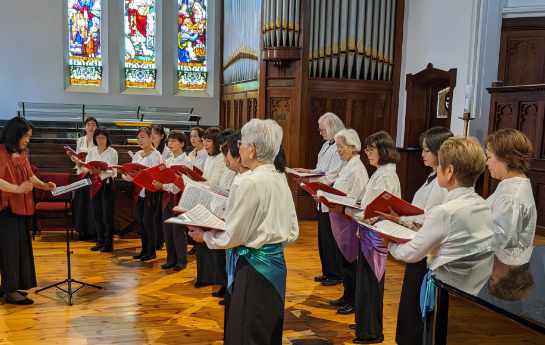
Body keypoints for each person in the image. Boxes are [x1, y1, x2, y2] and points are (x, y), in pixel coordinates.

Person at [188, 119, 299, 345]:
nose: (239, 148)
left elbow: (233, 234)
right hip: (276, 262)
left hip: (252, 266)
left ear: (253, 149)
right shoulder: (279, 176)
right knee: (267, 325)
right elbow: (293, 229)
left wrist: (205, 237)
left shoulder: (248, 181)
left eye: (243, 143)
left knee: (246, 328)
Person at [389, 136, 496, 295]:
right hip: (473, 287)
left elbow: (411, 253)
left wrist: (388, 244)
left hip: (444, 289)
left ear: (449, 171)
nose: (437, 169)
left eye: (439, 165)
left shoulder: (445, 212)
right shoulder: (483, 204)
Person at [377, 127, 452, 345]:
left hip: (425, 251)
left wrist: (400, 221)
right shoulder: (432, 176)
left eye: (427, 150)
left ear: (440, 152)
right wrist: (399, 217)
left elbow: (428, 219)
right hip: (416, 240)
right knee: (409, 304)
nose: (422, 154)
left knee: (415, 307)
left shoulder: (441, 184)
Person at [347, 130, 401, 343]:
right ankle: (365, 322)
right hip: (369, 232)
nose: (368, 153)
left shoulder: (386, 175)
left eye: (372, 149)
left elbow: (382, 209)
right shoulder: (381, 172)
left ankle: (370, 332)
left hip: (376, 236)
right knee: (366, 282)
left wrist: (357, 213)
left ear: (384, 150)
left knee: (371, 283)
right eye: (367, 149)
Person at [0, 117, 56, 305]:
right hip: (5, 208)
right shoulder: (0, 151)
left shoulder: (23, 153)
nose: (27, 140)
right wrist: (16, 189)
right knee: (8, 250)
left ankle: (12, 286)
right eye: (26, 136)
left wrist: (44, 186)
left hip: (21, 207)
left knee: (19, 249)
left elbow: (30, 176)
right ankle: (9, 291)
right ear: (15, 134)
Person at [299, 112, 346, 286]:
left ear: (332, 127)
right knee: (323, 237)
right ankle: (327, 270)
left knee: (331, 237)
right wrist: (306, 173)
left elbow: (332, 174)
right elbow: (320, 169)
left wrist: (313, 182)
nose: (320, 133)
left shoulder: (338, 147)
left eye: (322, 129)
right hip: (320, 194)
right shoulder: (327, 145)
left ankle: (336, 274)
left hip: (330, 194)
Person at [327, 129, 369, 315]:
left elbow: (355, 198)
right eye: (337, 146)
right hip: (339, 219)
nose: (338, 150)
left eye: (341, 146)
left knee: (350, 262)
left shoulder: (357, 168)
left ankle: (352, 299)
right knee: (343, 261)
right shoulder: (348, 165)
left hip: (348, 220)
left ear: (352, 146)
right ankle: (346, 295)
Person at [485, 128, 537, 267]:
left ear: (506, 158)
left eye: (489, 157)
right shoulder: (510, 184)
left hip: (504, 266)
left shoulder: (512, 195)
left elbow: (503, 239)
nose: (486, 163)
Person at [193, 127, 230, 288]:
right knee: (201, 243)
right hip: (205, 201)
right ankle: (205, 276)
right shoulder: (209, 158)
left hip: (216, 204)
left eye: (209, 141)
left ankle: (217, 279)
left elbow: (215, 183)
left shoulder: (222, 158)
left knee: (214, 243)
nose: (205, 144)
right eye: (205, 140)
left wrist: (200, 184)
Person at [152, 131, 192, 271]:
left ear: (182, 143)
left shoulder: (187, 161)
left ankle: (181, 260)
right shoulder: (167, 161)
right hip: (167, 198)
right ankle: (170, 259)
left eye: (174, 141)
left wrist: (163, 186)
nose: (171, 144)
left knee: (178, 230)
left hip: (180, 199)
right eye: (169, 141)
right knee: (167, 229)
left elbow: (182, 184)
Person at [122, 127, 163, 262]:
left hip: (150, 193)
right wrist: (126, 175)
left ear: (151, 138)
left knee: (148, 222)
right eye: (138, 137)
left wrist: (142, 176)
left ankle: (151, 252)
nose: (140, 140)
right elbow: (133, 174)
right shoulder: (138, 154)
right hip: (139, 193)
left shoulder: (156, 155)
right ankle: (144, 250)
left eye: (143, 137)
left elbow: (157, 176)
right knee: (141, 222)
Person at [78, 128, 118, 253]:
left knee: (107, 216)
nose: (100, 140)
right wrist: (82, 165)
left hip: (107, 185)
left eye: (103, 138)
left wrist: (101, 171)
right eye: (98, 138)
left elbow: (114, 172)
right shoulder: (91, 151)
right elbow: (87, 169)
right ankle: (99, 241)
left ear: (107, 139)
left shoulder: (113, 152)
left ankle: (108, 244)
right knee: (97, 215)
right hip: (94, 184)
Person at [70, 116, 98, 240]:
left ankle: (92, 231)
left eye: (93, 125)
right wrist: (74, 158)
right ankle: (81, 230)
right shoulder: (80, 140)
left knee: (91, 202)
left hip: (92, 174)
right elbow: (77, 156)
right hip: (81, 172)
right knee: (80, 202)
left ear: (96, 127)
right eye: (89, 124)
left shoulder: (98, 140)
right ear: (85, 127)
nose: (91, 127)